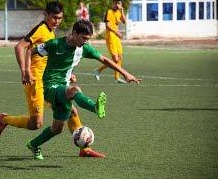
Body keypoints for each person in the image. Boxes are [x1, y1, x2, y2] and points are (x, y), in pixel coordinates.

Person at [0, 1, 105, 158]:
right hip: (35, 81)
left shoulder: (51, 33)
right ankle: (5, 119)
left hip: (50, 81)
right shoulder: (41, 29)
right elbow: (20, 47)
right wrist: (25, 72)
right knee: (35, 124)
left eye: (60, 18)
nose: (57, 21)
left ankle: (84, 149)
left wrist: (68, 73)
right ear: (46, 15)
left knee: (71, 109)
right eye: (54, 18)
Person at [24, 20, 142, 160]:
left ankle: (33, 144)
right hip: (50, 87)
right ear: (74, 33)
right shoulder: (55, 44)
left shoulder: (84, 48)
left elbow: (104, 59)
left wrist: (125, 73)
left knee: (57, 129)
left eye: (88, 39)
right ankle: (95, 108)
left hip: (63, 87)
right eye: (84, 38)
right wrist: (27, 71)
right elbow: (30, 50)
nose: (86, 42)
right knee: (74, 90)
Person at [93, 0, 127, 83]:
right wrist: (117, 32)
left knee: (119, 58)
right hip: (111, 36)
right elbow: (107, 26)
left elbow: (125, 22)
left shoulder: (119, 12)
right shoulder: (109, 12)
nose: (118, 5)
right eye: (117, 3)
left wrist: (122, 11)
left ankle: (117, 78)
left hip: (116, 37)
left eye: (119, 3)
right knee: (115, 59)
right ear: (113, 3)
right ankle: (98, 70)